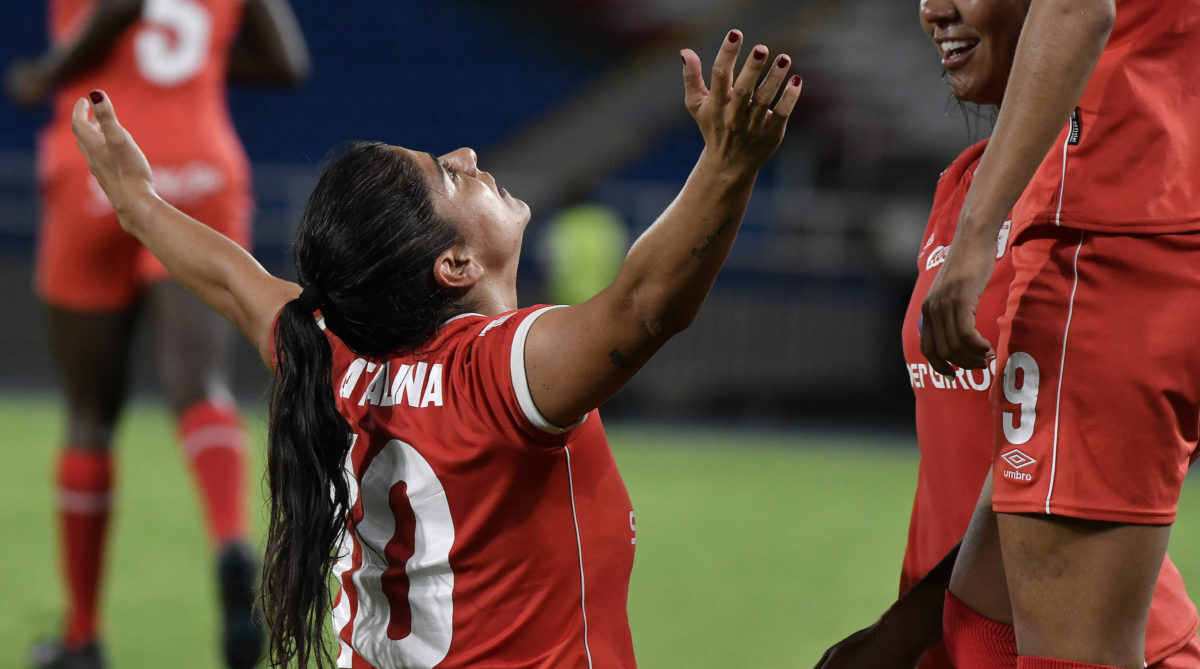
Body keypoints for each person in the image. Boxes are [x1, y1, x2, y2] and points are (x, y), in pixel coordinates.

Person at [70, 30, 803, 669]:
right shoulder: (497, 374)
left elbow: (236, 284)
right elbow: (645, 305)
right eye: (449, 174)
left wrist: (136, 203)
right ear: (453, 266)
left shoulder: (332, 355)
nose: (468, 153)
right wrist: (728, 164)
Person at [818, 0, 1200, 668]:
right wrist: (912, 627)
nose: (935, 10)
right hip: (975, 620)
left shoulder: (1075, 212)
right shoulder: (964, 183)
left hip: (1067, 623)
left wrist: (976, 237)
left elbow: (1080, 9)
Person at [4, 1, 309, 668]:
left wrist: (46, 74)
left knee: (89, 413)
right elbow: (289, 64)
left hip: (99, 161)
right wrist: (201, 59)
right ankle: (231, 540)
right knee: (200, 386)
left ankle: (83, 635)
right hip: (200, 167)